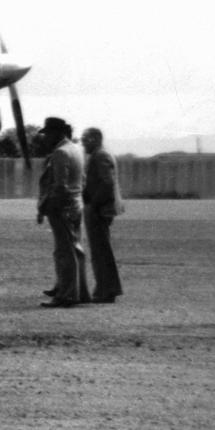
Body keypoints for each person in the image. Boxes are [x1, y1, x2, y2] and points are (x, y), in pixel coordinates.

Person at [37, 117, 90, 307]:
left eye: (48, 134)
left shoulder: (60, 152)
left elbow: (59, 185)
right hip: (76, 202)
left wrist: (49, 206)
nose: (45, 138)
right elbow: (81, 180)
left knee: (64, 251)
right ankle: (79, 291)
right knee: (76, 249)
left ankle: (67, 295)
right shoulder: (76, 149)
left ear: (57, 133)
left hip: (62, 205)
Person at [81, 126, 124, 302]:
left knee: (101, 251)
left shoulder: (100, 156)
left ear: (96, 139)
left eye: (86, 138)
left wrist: (93, 204)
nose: (83, 142)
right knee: (100, 251)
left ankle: (106, 290)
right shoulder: (98, 156)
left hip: (99, 209)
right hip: (99, 207)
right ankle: (105, 289)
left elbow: (107, 183)